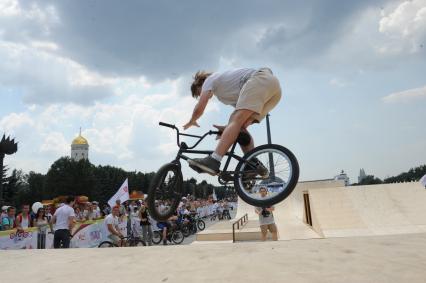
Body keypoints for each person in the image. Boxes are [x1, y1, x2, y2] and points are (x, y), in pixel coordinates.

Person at [184, 68, 281, 175]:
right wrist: (227, 129)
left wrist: (192, 120)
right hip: (274, 91)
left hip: (260, 79)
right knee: (240, 127)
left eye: (200, 93)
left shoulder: (209, 80)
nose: (201, 95)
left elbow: (200, 108)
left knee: (236, 121)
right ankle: (253, 163)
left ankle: (214, 160)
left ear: (200, 85)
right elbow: (239, 117)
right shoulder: (223, 95)